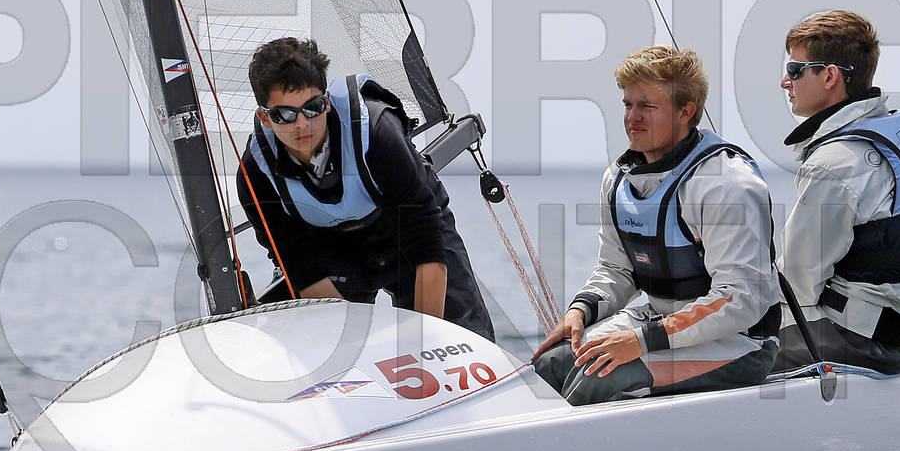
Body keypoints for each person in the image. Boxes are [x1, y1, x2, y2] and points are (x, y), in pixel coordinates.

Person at [531, 46, 780, 405]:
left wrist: (642, 340)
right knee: (549, 365)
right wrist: (579, 310)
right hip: (659, 323)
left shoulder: (727, 184)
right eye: (628, 104)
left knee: (599, 377)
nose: (632, 117)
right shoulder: (617, 179)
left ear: (685, 112)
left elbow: (740, 299)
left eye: (647, 106)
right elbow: (616, 269)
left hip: (740, 341)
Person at [235, 37, 495, 340]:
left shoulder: (376, 132)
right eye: (285, 115)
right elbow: (302, 266)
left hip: (404, 231)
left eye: (313, 107)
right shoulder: (256, 174)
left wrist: (426, 344)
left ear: (327, 102)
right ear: (265, 117)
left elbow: (425, 243)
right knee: (325, 344)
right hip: (330, 246)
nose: (303, 124)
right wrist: (347, 345)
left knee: (460, 340)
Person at [775, 10, 900, 376]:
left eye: (795, 70)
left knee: (722, 344)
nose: (785, 81)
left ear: (830, 76)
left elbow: (798, 284)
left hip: (860, 341)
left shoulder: (831, 163)